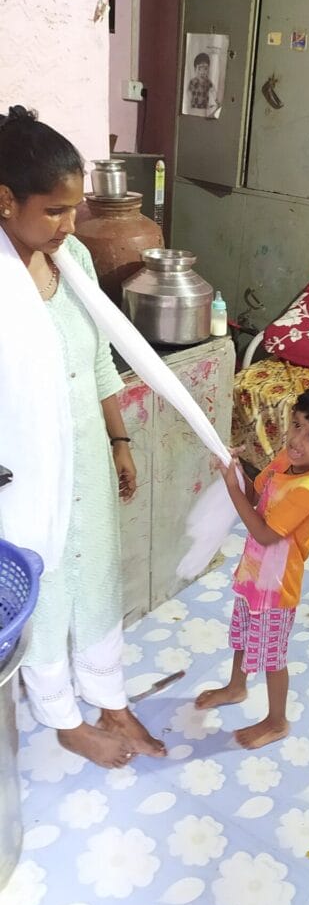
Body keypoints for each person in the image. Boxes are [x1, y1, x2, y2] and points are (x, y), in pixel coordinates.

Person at [0, 105, 165, 768]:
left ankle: (109, 693)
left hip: (88, 460)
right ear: (5, 200)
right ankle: (62, 716)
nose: (71, 225)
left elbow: (98, 359)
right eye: (55, 211)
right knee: (47, 588)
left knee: (95, 575)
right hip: (25, 474)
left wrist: (119, 441)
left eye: (76, 208)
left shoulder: (75, 267)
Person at [195, 381, 309, 749]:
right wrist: (235, 470)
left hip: (276, 588)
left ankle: (277, 721)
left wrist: (230, 486)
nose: (296, 440)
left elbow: (264, 533)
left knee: (272, 658)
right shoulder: (286, 461)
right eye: (297, 425)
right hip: (253, 574)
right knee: (242, 636)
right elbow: (257, 496)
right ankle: (237, 686)